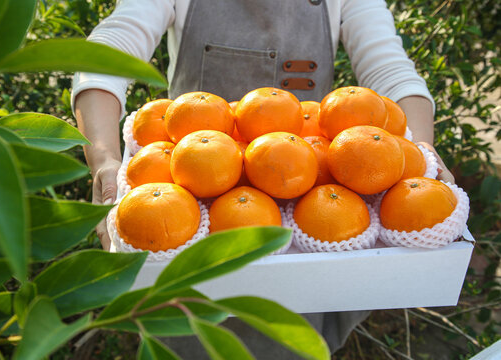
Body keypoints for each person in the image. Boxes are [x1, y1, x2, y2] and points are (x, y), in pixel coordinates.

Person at [72, 0, 455, 356]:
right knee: (193, 335)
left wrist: (419, 146)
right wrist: (104, 156)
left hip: (304, 186)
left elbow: (389, 66)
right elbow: (113, 47)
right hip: (188, 183)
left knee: (286, 337)